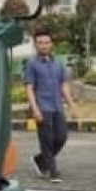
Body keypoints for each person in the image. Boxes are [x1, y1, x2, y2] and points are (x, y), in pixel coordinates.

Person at [23, 28, 77, 183]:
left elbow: (63, 85)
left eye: (46, 42)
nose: (44, 46)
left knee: (61, 137)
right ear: (35, 45)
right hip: (42, 106)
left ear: (52, 44)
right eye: (40, 43)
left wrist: (71, 105)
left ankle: (41, 159)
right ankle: (53, 172)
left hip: (57, 105)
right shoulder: (31, 64)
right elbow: (29, 87)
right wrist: (35, 109)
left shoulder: (58, 62)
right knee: (46, 139)